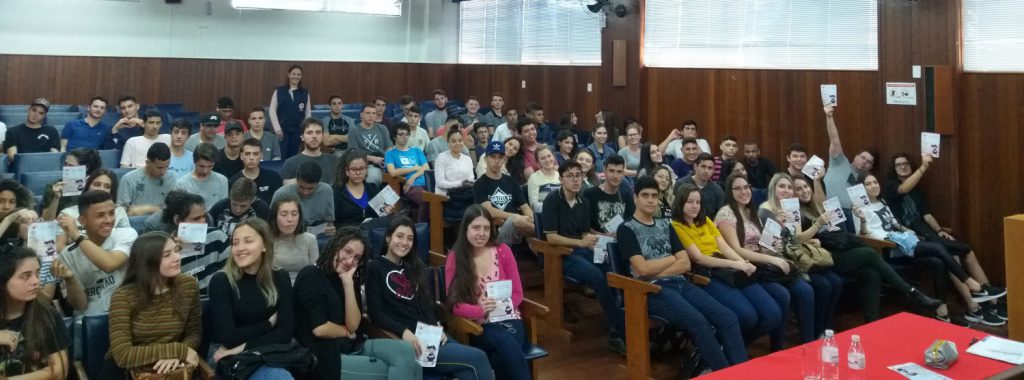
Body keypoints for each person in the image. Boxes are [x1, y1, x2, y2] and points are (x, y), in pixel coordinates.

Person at [619, 177, 747, 372]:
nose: (650, 200)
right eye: (645, 195)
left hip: (680, 283)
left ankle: (743, 372)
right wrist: (671, 260)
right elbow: (642, 270)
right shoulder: (626, 229)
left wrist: (661, 267)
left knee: (727, 317)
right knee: (699, 323)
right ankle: (724, 374)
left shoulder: (666, 225)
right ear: (635, 198)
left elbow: (685, 263)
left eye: (654, 196)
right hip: (651, 290)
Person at [855, 174, 1004, 324]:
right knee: (938, 248)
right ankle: (974, 285)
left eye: (875, 181)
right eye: (868, 184)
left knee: (938, 263)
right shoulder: (859, 209)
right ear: (861, 189)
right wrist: (861, 218)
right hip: (890, 249)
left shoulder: (883, 202)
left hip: (904, 242)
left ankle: (942, 312)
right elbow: (862, 234)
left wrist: (907, 230)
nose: (874, 185)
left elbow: (895, 224)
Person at [791, 175, 941, 323]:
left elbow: (846, 234)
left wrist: (860, 219)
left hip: (835, 250)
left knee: (872, 273)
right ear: (793, 193)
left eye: (806, 187)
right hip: (819, 258)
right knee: (869, 252)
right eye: (799, 189)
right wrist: (818, 226)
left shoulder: (817, 208)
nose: (804, 191)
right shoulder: (795, 212)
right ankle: (911, 292)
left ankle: (872, 323)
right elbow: (796, 239)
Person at [365, 217, 494, 380]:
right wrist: (404, 331)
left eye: (410, 238)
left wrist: (435, 327)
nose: (404, 242)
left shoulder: (413, 265)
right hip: (408, 342)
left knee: (467, 371)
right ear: (388, 238)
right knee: (478, 357)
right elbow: (376, 314)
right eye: (400, 236)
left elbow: (427, 304)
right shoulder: (375, 267)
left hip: (429, 336)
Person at [886, 153, 1007, 324]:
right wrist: (924, 167)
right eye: (899, 165)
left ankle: (990, 301)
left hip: (928, 233)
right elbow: (903, 189)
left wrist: (939, 230)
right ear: (894, 169)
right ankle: (973, 306)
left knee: (965, 250)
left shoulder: (917, 190)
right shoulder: (891, 187)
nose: (903, 166)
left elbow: (927, 215)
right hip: (912, 240)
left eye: (906, 163)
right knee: (948, 256)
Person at [293, 227, 420, 379]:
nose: (350, 261)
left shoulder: (347, 277)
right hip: (324, 356)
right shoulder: (311, 275)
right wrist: (346, 332)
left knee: (409, 355)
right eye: (347, 251)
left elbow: (353, 325)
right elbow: (320, 328)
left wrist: (348, 283)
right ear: (335, 245)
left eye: (357, 258)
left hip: (352, 346)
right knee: (406, 368)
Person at [672, 184, 783, 347]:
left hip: (727, 267)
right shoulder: (676, 226)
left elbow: (723, 247)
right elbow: (700, 258)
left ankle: (735, 344)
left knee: (773, 314)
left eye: (698, 202)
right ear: (680, 203)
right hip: (708, 273)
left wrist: (742, 262)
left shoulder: (706, 221)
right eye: (690, 202)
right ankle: (729, 346)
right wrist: (736, 264)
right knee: (747, 316)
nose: (695, 206)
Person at [717, 174, 814, 347]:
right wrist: (773, 259)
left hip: (761, 263)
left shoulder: (750, 211)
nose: (743, 192)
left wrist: (778, 227)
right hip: (744, 267)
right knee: (781, 298)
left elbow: (764, 246)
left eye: (746, 187)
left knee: (801, 290)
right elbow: (737, 250)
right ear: (729, 192)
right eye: (737, 188)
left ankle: (792, 344)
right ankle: (744, 344)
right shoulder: (726, 214)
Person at [541, 160, 625, 354]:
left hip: (583, 250)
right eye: (570, 176)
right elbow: (551, 237)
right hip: (562, 254)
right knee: (597, 277)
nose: (575, 179)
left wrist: (602, 236)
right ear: (561, 179)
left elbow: (585, 232)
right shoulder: (552, 200)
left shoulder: (583, 201)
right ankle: (618, 330)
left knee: (612, 270)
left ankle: (617, 324)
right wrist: (580, 243)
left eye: (578, 175)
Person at [99, 232, 202, 379]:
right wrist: (179, 350)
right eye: (167, 255)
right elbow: (122, 354)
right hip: (126, 371)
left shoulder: (188, 285)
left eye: (177, 250)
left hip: (171, 367)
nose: (177, 258)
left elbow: (194, 333)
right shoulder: (123, 296)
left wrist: (175, 355)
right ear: (147, 262)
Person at [445, 205, 531, 380]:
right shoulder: (456, 257)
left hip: (509, 318)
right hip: (479, 325)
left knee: (500, 355)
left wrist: (503, 308)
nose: (481, 233)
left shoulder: (503, 251)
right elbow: (454, 304)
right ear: (466, 228)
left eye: (486, 228)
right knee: (505, 342)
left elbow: (517, 292)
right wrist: (480, 310)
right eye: (476, 228)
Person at [208, 219, 295, 379]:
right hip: (227, 357)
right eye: (235, 243)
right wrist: (269, 324)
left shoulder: (280, 276)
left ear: (264, 246)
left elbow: (285, 333)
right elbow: (228, 337)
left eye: (248, 241)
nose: (240, 248)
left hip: (265, 352)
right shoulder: (221, 280)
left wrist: (240, 347)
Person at [756, 173, 840, 339]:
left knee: (835, 281)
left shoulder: (791, 207)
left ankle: (824, 329)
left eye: (789, 187)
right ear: (773, 188)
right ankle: (811, 337)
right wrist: (778, 224)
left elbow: (797, 238)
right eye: (782, 186)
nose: (786, 190)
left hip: (796, 254)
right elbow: (766, 245)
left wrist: (814, 232)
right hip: (777, 259)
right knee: (819, 286)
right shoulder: (764, 210)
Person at [56, 190, 138, 316]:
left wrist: (77, 235)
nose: (108, 220)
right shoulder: (68, 255)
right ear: (83, 220)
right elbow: (79, 305)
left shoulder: (126, 234)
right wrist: (70, 279)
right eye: (100, 215)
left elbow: (109, 264)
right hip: (90, 321)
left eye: (111, 213)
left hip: (127, 314)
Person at [0, 246, 71, 378]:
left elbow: (60, 371)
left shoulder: (47, 315)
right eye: (26, 276)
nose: (36, 281)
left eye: (37, 274)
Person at [146, 190, 230, 292]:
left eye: (204, 217)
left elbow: (230, 273)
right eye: (196, 219)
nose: (203, 222)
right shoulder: (166, 250)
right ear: (177, 220)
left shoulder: (217, 237)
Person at [821, 105, 877, 232]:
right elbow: (834, 139)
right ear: (856, 156)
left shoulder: (867, 181)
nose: (864, 162)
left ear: (870, 167)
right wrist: (829, 117)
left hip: (851, 218)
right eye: (863, 158)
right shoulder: (840, 161)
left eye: (868, 162)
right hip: (827, 210)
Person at [474, 141, 535, 246]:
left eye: (500, 157)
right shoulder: (480, 184)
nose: (497, 161)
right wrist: (516, 217)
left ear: (504, 159)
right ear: (485, 159)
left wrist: (531, 218)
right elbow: (490, 211)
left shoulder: (511, 181)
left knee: (534, 240)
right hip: (497, 231)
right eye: (493, 157)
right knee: (517, 221)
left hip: (520, 229)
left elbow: (525, 207)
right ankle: (543, 233)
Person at [334, 150, 397, 229]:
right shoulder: (338, 193)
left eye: (362, 169)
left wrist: (389, 212)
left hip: (373, 233)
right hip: (349, 235)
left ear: (366, 170)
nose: (358, 173)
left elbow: (382, 216)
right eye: (354, 169)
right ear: (347, 171)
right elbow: (335, 224)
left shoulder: (372, 188)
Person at [271, 161, 335, 237]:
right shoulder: (281, 194)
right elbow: (272, 222)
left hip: (318, 234)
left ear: (319, 182)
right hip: (289, 234)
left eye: (310, 188)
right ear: (297, 180)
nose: (305, 192)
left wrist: (331, 229)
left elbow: (329, 221)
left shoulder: (326, 191)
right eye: (301, 187)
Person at [267, 194, 318, 283]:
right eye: (284, 214)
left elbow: (316, 273)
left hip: (304, 286)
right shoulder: (266, 240)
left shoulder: (310, 239)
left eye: (294, 214)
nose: (290, 219)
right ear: (275, 217)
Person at [41, 148, 103, 222]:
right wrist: (56, 197)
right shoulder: (53, 186)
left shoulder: (95, 186)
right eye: (65, 164)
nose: (66, 168)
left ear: (85, 168)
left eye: (71, 166)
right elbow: (47, 221)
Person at [385, 122, 430, 222]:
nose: (405, 137)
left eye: (407, 134)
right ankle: (422, 227)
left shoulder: (417, 150)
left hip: (425, 183)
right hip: (411, 186)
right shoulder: (390, 153)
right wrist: (414, 168)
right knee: (426, 200)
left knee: (439, 199)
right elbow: (393, 172)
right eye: (401, 134)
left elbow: (426, 168)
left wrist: (413, 177)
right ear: (394, 137)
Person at [583, 155, 634, 235]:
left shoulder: (626, 195)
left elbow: (631, 224)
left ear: (623, 174)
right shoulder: (589, 194)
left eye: (619, 172)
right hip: (596, 242)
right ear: (604, 171)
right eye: (611, 171)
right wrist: (604, 236)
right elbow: (584, 227)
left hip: (621, 241)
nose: (615, 176)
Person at [268, 64, 312, 159]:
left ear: (301, 76)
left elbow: (308, 113)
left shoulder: (305, 92)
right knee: (281, 156)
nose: (296, 76)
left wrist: (305, 130)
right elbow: (272, 110)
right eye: (293, 74)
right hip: (282, 131)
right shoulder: (279, 91)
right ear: (289, 74)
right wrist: (277, 129)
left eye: (298, 74)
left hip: (297, 131)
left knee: (293, 157)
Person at [118, 143, 174, 216]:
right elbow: (121, 211)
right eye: (159, 168)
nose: (163, 171)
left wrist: (151, 209)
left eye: (167, 167)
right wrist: (150, 209)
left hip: (160, 220)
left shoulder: (171, 178)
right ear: (147, 163)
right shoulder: (128, 179)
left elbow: (172, 208)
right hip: (134, 221)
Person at [280, 118, 338, 186]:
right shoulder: (290, 164)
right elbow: (288, 194)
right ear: (302, 136)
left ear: (322, 136)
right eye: (309, 133)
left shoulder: (335, 160)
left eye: (318, 132)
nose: (314, 136)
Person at [172, 143, 229, 208]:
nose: (205, 170)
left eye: (210, 166)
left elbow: (223, 210)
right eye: (202, 166)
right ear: (194, 162)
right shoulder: (181, 184)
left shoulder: (222, 181)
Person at [348, 104, 393, 185]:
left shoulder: (382, 128)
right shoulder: (354, 131)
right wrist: (373, 159)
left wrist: (388, 161)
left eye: (373, 113)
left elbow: (389, 148)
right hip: (366, 163)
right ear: (361, 115)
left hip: (384, 161)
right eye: (368, 113)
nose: (371, 116)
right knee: (374, 177)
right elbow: (353, 154)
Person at [229, 138, 283, 205]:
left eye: (255, 154)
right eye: (247, 154)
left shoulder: (274, 177)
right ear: (241, 156)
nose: (251, 158)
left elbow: (281, 204)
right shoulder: (233, 181)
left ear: (261, 156)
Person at [434, 128, 476, 198]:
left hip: (466, 193)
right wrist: (460, 184)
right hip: (446, 197)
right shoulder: (441, 157)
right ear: (448, 143)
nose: (457, 143)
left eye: (460, 140)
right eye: (453, 141)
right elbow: (440, 183)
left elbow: (471, 179)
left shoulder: (467, 159)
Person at [526, 145, 560, 213]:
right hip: (545, 216)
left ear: (553, 156)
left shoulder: (561, 175)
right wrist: (553, 208)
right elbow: (534, 205)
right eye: (543, 158)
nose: (547, 160)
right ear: (538, 162)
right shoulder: (534, 178)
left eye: (549, 156)